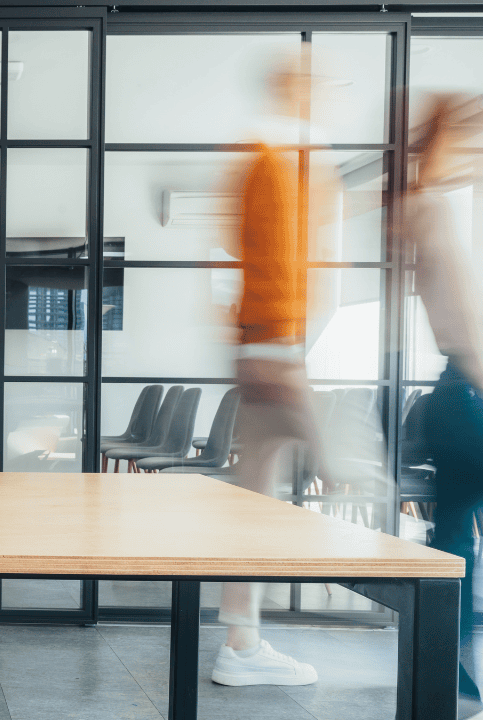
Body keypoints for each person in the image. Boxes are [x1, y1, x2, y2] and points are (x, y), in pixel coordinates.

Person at [210, 47, 342, 688]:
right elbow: (272, 270)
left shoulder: (287, 158)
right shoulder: (274, 161)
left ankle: (241, 641)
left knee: (256, 500)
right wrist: (277, 351)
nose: (325, 91)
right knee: (348, 475)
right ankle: (241, 643)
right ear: (292, 87)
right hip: (275, 349)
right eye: (313, 81)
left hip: (272, 347)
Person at [403, 93, 483, 704]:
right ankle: (445, 660)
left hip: (455, 393)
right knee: (456, 536)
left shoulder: (424, 207)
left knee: (455, 534)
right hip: (468, 389)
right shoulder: (434, 210)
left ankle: (444, 661)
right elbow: (466, 329)